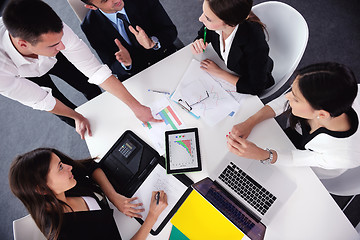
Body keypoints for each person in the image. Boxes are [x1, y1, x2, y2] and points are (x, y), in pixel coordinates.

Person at [0, 0, 161, 140]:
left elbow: (95, 72)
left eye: (61, 38)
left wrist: (136, 107)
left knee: (87, 85)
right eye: (54, 44)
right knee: (68, 111)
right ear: (23, 44)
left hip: (47, 54)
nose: (62, 46)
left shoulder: (52, 31)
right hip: (20, 73)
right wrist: (76, 116)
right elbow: (43, 101)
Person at [227, 62, 360, 179]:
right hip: (299, 136)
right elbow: (284, 102)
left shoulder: (343, 155)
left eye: (295, 99)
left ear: (322, 114)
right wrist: (250, 122)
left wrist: (264, 155)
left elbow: (297, 159)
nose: (287, 96)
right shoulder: (330, 94)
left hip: (311, 165)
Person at [9, 148, 168, 240]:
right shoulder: (68, 234)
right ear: (42, 189)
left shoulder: (63, 185)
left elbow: (90, 166)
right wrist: (152, 217)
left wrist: (113, 196)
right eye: (60, 168)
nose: (69, 167)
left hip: (121, 215)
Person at [191, 0, 274, 96]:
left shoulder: (254, 43)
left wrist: (219, 72)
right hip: (230, 68)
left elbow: (256, 87)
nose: (200, 19)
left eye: (208, 18)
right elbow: (203, 33)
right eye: (204, 13)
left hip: (249, 77)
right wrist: (198, 42)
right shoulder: (216, 20)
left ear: (229, 23)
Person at [80, 0, 178, 82]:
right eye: (105, 0)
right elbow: (111, 65)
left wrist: (153, 42)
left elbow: (170, 30)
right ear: (92, 7)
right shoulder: (90, 26)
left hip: (165, 57)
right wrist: (125, 63)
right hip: (136, 75)